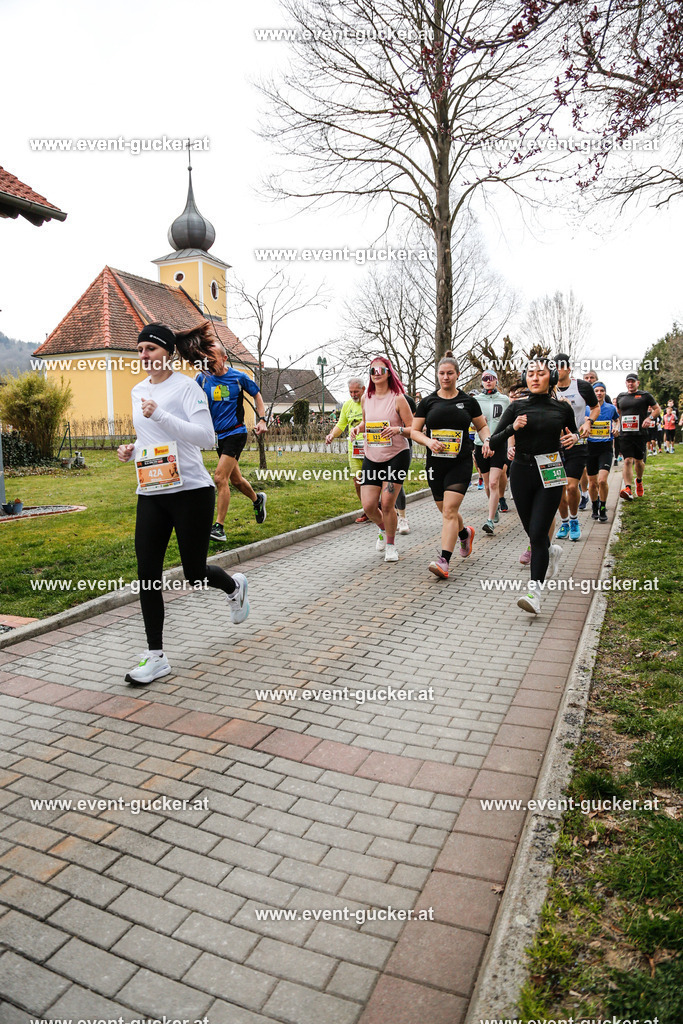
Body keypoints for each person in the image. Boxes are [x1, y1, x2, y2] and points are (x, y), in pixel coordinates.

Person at [117, 323, 249, 685]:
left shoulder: (187, 388)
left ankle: (233, 587)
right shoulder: (137, 389)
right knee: (147, 574)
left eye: (151, 349)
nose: (144, 356)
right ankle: (155, 656)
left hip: (191, 491)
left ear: (169, 353)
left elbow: (207, 438)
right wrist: (130, 450)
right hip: (151, 492)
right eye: (140, 349)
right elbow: (150, 437)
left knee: (193, 573)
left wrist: (159, 413)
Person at [489, 357, 578, 615]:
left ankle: (534, 593)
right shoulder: (516, 407)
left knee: (538, 530)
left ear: (550, 377)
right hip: (522, 471)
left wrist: (575, 437)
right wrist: (512, 429)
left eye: (540, 373)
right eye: (530, 373)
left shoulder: (562, 409)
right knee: (534, 534)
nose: (535, 377)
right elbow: (494, 441)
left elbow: (573, 437)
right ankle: (551, 552)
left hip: (550, 470)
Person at [411, 352, 489, 579]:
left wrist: (488, 441)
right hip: (435, 464)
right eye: (442, 373)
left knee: (449, 510)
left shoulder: (468, 401)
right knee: (446, 511)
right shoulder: (427, 402)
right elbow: (415, 431)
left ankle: (444, 560)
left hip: (460, 462)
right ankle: (465, 533)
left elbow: (482, 426)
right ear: (437, 375)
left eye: (450, 373)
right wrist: (428, 441)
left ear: (457, 375)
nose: (445, 377)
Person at [195, 338, 268, 542]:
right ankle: (257, 499)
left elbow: (257, 395)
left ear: (224, 358)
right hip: (218, 437)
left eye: (213, 357)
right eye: (206, 358)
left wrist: (262, 419)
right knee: (235, 480)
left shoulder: (238, 377)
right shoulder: (201, 378)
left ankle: (219, 527)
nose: (209, 361)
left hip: (235, 433)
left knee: (219, 478)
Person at [350, 356, 413, 562]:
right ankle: (384, 530)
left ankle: (391, 546)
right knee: (368, 506)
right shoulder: (366, 399)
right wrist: (357, 429)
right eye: (372, 371)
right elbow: (367, 423)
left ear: (388, 373)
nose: (376, 374)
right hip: (373, 455)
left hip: (396, 455)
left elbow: (413, 428)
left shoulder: (398, 398)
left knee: (387, 503)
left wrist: (397, 430)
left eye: (380, 370)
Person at [554, 354, 600, 542]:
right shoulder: (548, 389)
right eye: (554, 366)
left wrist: (589, 422)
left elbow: (595, 407)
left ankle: (574, 520)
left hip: (577, 443)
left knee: (572, 487)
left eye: (560, 366)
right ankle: (564, 522)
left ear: (568, 368)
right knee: (556, 488)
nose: (557, 369)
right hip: (553, 446)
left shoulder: (582, 386)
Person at [473, 371, 511, 535]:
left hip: (498, 444)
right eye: (485, 379)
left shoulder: (504, 400)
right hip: (480, 444)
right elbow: (471, 422)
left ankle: (489, 520)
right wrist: (478, 425)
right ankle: (493, 507)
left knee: (494, 483)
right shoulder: (476, 401)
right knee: (487, 484)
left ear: (496, 380)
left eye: (491, 378)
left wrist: (510, 445)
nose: (488, 381)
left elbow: (510, 422)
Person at [325, 377, 367, 522]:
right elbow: (341, 425)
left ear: (363, 389)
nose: (353, 395)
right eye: (351, 392)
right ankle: (367, 510)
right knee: (358, 481)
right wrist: (332, 435)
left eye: (356, 391)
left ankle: (383, 509)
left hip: (372, 448)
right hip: (354, 449)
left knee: (374, 480)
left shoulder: (370, 402)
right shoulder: (347, 405)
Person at [614, 374, 661, 499]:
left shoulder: (645, 396)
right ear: (625, 383)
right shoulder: (621, 397)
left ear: (637, 383)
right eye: (628, 382)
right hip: (625, 434)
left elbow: (657, 409)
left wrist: (649, 418)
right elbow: (618, 413)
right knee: (627, 460)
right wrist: (617, 425)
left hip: (640, 433)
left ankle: (639, 481)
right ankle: (628, 488)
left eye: (633, 382)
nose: (630, 384)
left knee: (639, 461)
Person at [586, 382, 619, 523]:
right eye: (596, 391)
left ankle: (603, 507)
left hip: (605, 448)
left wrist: (617, 428)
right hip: (590, 449)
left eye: (601, 391)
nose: (599, 393)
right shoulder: (587, 409)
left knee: (602, 480)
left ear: (605, 393)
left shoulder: (611, 408)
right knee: (592, 484)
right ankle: (594, 505)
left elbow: (617, 420)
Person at [394, 392, 417, 534]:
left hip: (403, 445)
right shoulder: (376, 399)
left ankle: (402, 517)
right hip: (381, 446)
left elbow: (414, 424)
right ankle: (393, 516)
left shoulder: (407, 400)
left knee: (397, 481)